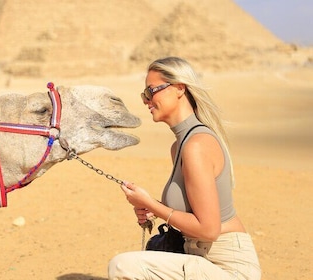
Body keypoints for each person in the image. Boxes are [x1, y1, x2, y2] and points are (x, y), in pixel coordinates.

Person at [108, 57, 261, 279]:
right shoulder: (180, 145)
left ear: (179, 88)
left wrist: (151, 203)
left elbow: (209, 230)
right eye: (144, 95)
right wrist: (153, 207)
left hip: (227, 267)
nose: (146, 100)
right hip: (200, 258)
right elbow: (193, 212)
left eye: (151, 92)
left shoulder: (196, 146)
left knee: (122, 266)